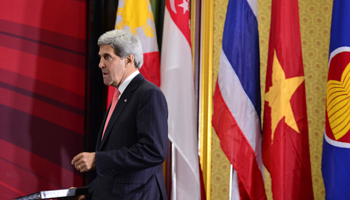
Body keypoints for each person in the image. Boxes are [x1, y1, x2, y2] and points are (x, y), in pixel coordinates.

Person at [71, 29, 168, 200]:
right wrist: (88, 192)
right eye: (100, 57)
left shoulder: (148, 94)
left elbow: (153, 151)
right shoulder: (120, 97)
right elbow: (116, 165)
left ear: (128, 60)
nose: (100, 64)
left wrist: (98, 160)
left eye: (107, 57)